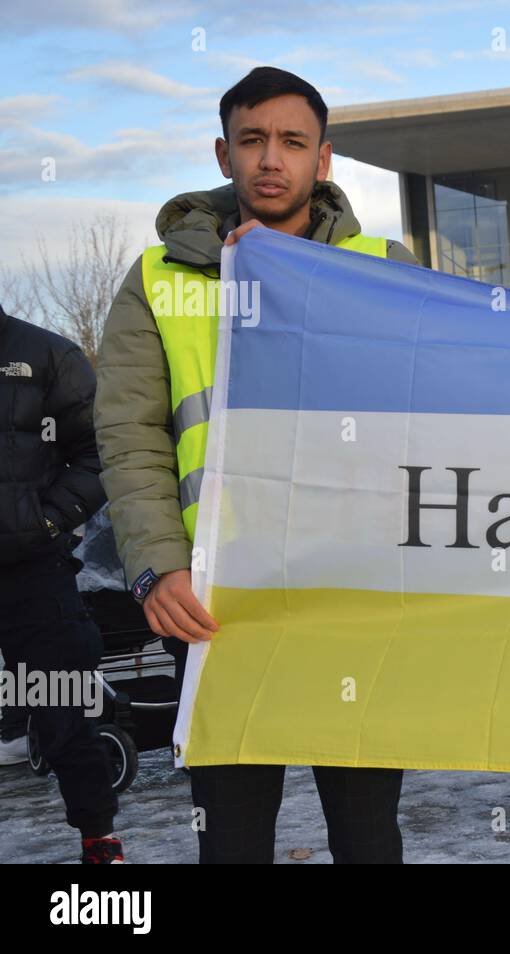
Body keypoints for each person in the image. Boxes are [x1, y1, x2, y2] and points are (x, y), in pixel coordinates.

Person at [95, 67, 420, 864]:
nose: (271, 158)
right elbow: (129, 434)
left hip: (354, 593)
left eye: (292, 142)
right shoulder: (157, 279)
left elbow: (436, 405)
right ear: (224, 151)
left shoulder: (385, 262)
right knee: (233, 834)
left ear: (324, 160)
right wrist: (155, 568)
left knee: (368, 831)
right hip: (215, 600)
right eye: (252, 140)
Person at [0, 303, 122, 863]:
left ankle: (99, 842)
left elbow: (99, 451)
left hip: (33, 571)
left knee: (64, 709)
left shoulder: (47, 354)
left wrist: (45, 521)